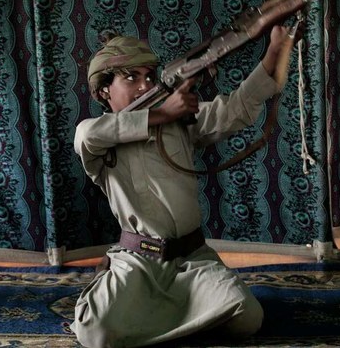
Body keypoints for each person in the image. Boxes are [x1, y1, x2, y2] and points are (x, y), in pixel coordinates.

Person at [71, 26, 293, 348]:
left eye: (149, 76)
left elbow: (235, 109)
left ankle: (151, 318)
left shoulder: (180, 123)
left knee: (247, 317)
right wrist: (162, 113)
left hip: (193, 259)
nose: (144, 85)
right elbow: (87, 136)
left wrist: (274, 52)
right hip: (139, 262)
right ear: (105, 91)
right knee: (94, 333)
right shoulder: (98, 137)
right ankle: (158, 310)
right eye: (130, 78)